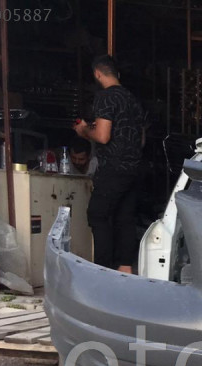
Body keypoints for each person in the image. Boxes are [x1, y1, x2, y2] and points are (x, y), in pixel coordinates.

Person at [74, 55, 143, 273]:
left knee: (98, 214)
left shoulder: (106, 97)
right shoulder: (133, 99)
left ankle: (102, 270)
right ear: (117, 73)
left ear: (97, 73)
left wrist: (84, 130)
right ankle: (125, 268)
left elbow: (103, 136)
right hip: (133, 167)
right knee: (125, 218)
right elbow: (140, 138)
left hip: (113, 166)